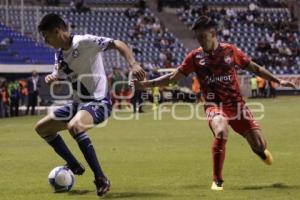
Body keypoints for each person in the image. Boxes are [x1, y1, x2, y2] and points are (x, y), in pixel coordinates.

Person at [132, 16, 296, 191]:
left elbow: (255, 68)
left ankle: (261, 152)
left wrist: (278, 80)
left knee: (259, 145)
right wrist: (148, 84)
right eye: (198, 37)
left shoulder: (230, 52)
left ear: (213, 33)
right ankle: (217, 181)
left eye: (203, 36)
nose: (201, 41)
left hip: (237, 105)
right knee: (221, 130)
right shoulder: (195, 57)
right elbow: (173, 78)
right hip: (214, 105)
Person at [34, 13, 145, 196]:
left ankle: (101, 178)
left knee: (75, 126)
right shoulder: (60, 55)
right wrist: (54, 78)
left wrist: (133, 64)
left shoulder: (84, 42)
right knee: (42, 128)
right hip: (78, 104)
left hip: (99, 102)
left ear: (57, 31)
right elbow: (60, 77)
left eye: (46, 36)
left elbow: (117, 43)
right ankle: (74, 164)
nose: (45, 40)